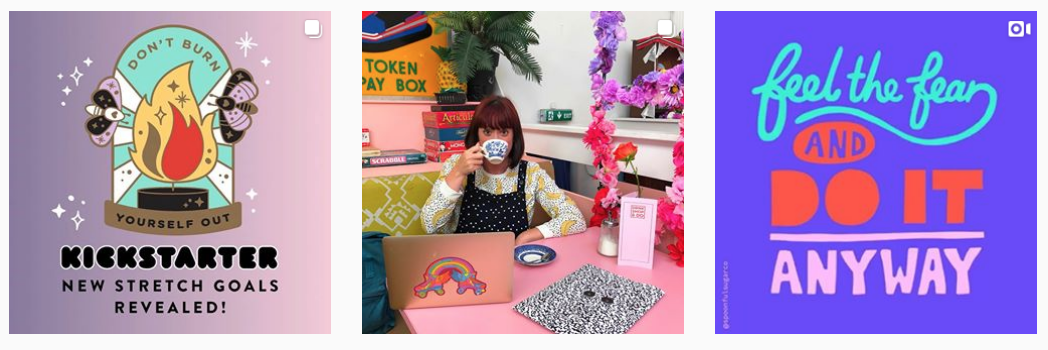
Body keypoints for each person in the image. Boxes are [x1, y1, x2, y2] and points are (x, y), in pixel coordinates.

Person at [421, 96, 587, 245]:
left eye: (504, 132)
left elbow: (574, 218)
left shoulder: (531, 173)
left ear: (514, 137)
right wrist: (458, 173)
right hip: (465, 265)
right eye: (487, 132)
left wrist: (530, 235)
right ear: (476, 135)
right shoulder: (456, 165)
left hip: (512, 263)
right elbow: (429, 225)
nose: (495, 140)